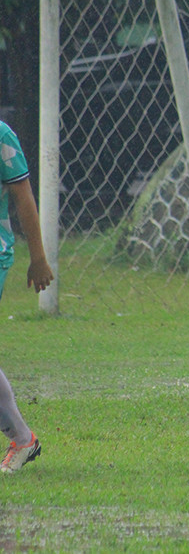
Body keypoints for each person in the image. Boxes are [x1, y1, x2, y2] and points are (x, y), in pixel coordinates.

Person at [0, 120, 54, 473]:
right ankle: (22, 438)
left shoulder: (2, 135)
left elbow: (23, 196)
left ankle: (22, 438)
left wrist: (38, 258)